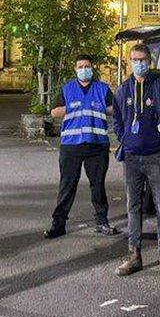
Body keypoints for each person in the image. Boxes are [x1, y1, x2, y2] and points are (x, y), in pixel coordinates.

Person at [112, 44, 160, 280]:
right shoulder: (123, 89)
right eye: (134, 59)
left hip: (155, 157)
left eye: (142, 59)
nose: (138, 63)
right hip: (131, 158)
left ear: (150, 61)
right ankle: (134, 255)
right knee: (133, 207)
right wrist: (125, 139)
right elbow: (117, 121)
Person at [44, 55, 119, 239]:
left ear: (92, 68)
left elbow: (114, 109)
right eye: (80, 66)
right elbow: (54, 112)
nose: (84, 69)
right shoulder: (67, 89)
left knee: (98, 186)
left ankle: (102, 222)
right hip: (71, 146)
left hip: (97, 145)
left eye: (87, 66)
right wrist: (72, 107)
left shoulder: (102, 89)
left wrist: (101, 107)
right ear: (75, 69)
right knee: (67, 186)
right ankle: (58, 224)